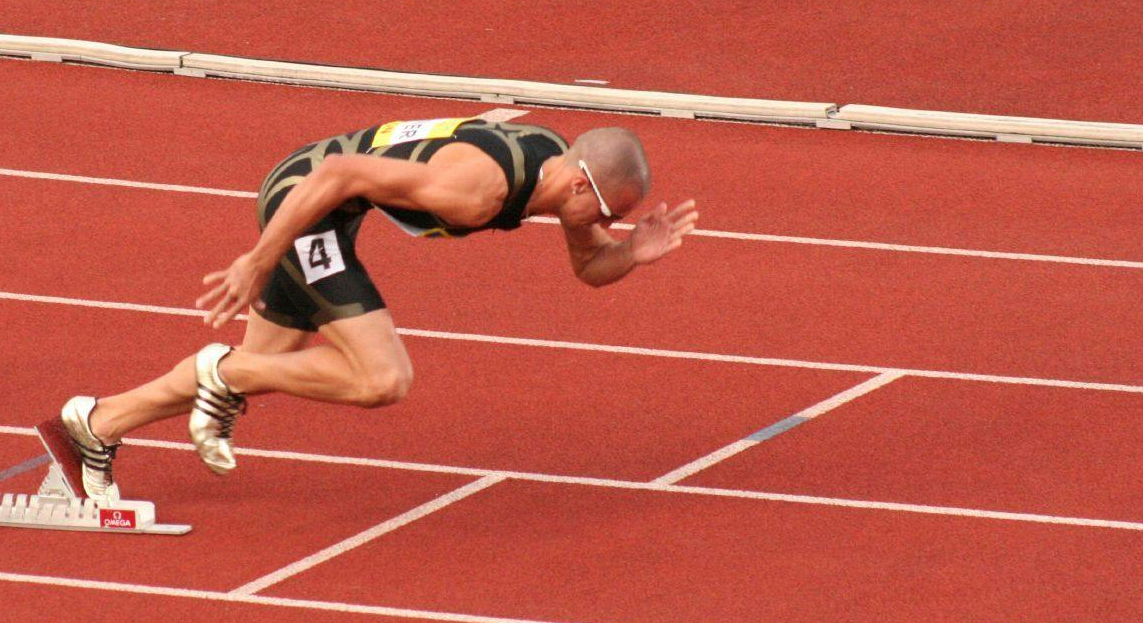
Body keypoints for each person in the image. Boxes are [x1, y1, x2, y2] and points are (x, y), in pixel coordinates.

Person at [57, 117, 698, 503]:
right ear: (582, 182)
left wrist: (632, 255)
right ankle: (224, 374)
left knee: (274, 362)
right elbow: (336, 174)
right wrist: (256, 259)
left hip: (335, 207)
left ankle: (98, 421)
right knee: (382, 379)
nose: (603, 226)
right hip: (309, 200)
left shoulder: (554, 169)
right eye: (609, 214)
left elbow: (589, 267)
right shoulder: (479, 188)